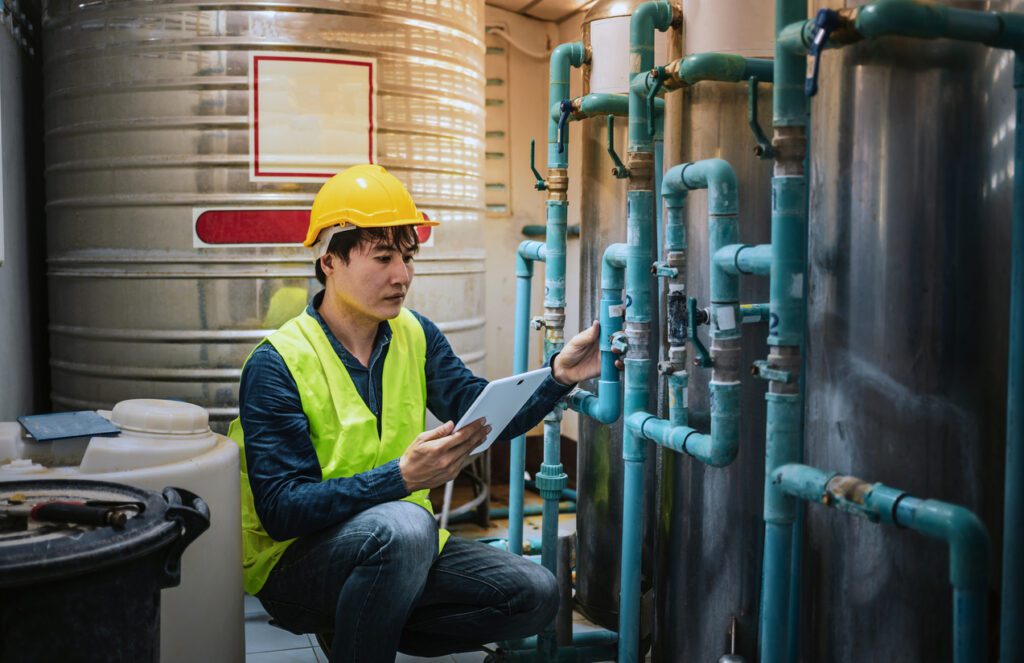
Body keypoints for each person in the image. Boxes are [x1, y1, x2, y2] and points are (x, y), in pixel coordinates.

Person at [228, 164, 608, 662]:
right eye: (382, 257)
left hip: (396, 545)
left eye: (407, 257)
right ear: (329, 261)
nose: (402, 276)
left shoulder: (415, 335)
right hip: (295, 561)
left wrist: (558, 375)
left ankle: (361, 624)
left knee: (533, 592)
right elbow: (281, 511)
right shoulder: (277, 363)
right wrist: (400, 479)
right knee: (406, 527)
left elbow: (481, 415)